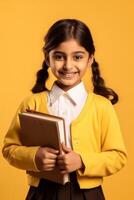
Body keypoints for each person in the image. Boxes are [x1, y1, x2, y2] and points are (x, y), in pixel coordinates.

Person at [2, 19, 127, 200]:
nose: (68, 65)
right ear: (47, 58)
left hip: (88, 195)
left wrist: (82, 161)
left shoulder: (102, 107)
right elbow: (9, 148)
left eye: (77, 57)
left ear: (90, 58)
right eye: (59, 56)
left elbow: (118, 157)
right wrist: (35, 156)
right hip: (42, 193)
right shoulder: (31, 104)